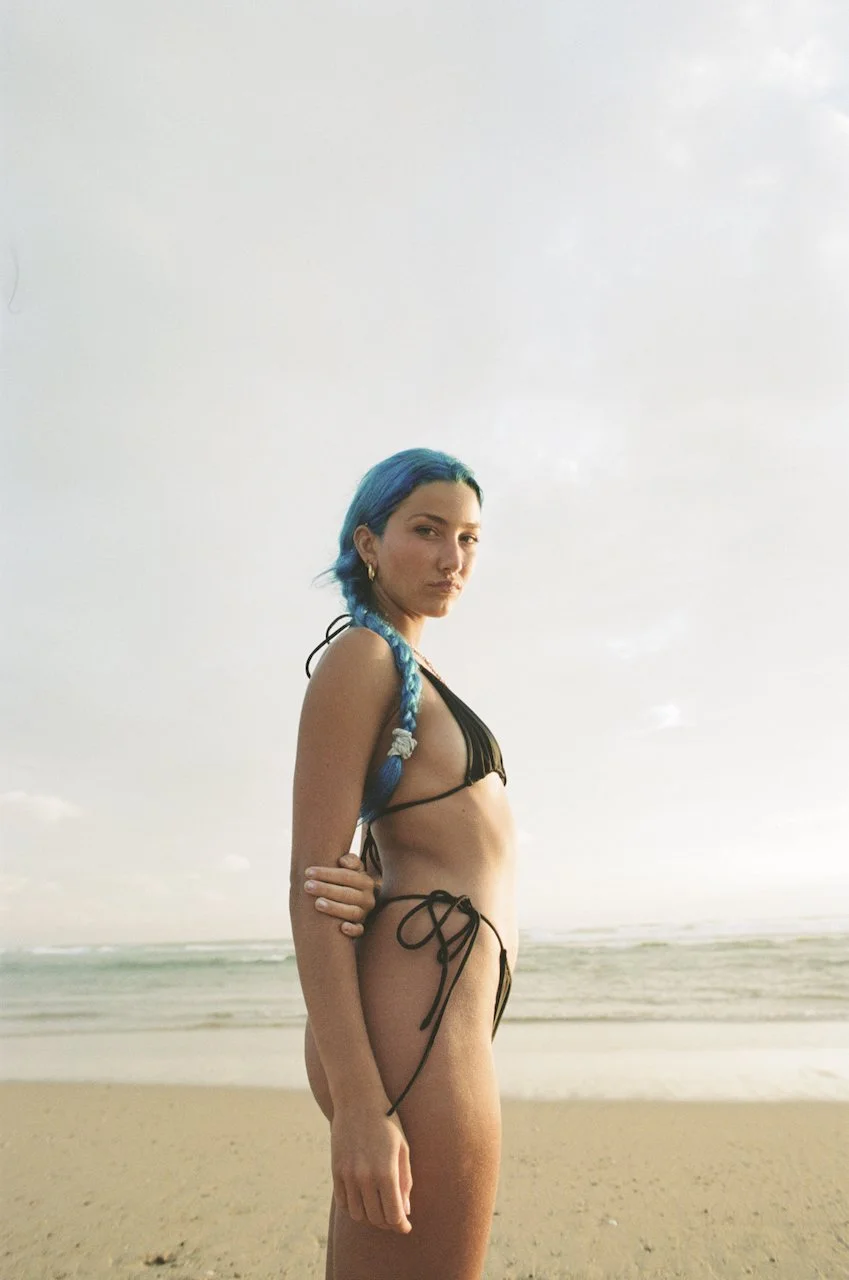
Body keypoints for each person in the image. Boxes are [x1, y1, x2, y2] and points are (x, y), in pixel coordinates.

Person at [289, 447, 518, 1280]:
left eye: (468, 537)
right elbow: (310, 885)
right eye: (426, 530)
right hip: (414, 1019)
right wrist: (359, 1105)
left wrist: (380, 876)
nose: (452, 557)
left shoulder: (407, 664)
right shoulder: (363, 657)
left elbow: (405, 843)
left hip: (435, 1007)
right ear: (368, 543)